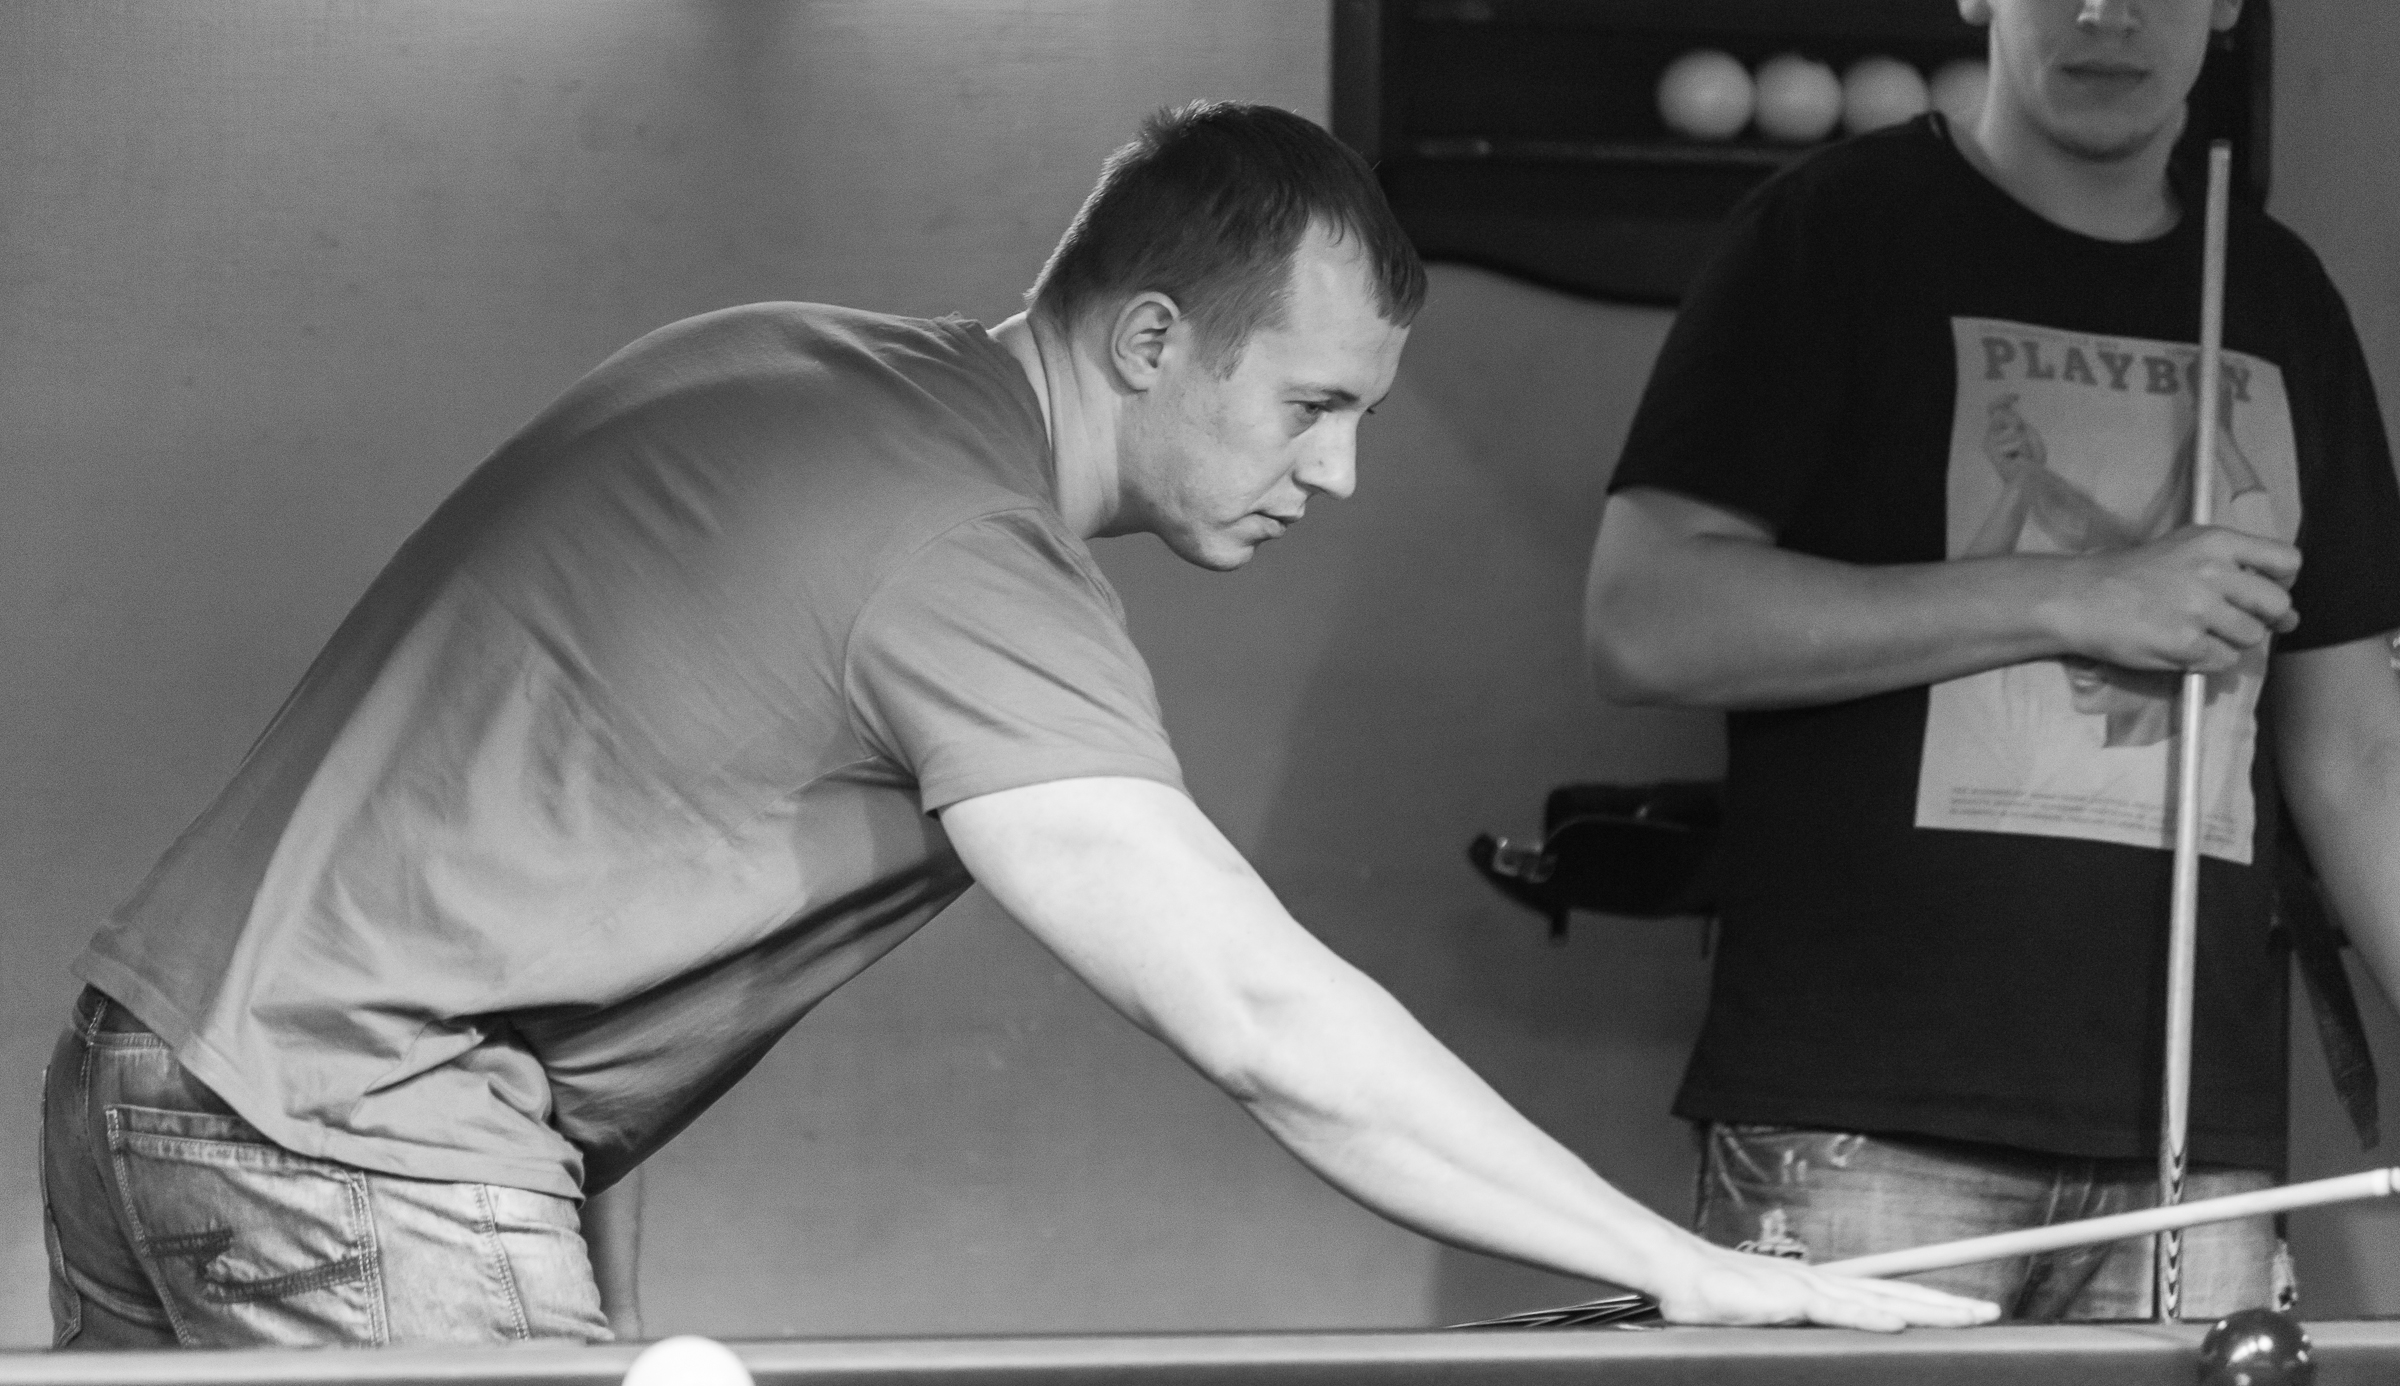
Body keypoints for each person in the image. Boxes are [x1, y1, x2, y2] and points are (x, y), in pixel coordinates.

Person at [40, 102, 1994, 1350]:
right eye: (1314, 405)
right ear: (1151, 339)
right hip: (348, 1161)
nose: (1335, 475)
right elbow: (1261, 1017)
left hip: (149, 1085)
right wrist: (1685, 1261)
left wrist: (579, 1280)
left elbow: (560, 841)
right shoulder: (966, 554)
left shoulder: (793, 367)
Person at [1585, 0, 2400, 1321]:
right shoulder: (1832, 235)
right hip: (1861, 1117)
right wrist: (2079, 594)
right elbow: (1642, 614)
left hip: (2194, 1139)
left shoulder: (2281, 299)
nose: (2106, 4)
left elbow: (2357, 752)